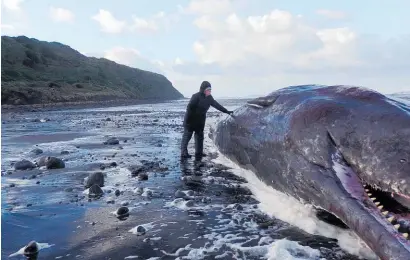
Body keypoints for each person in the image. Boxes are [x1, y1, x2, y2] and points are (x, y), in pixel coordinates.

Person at [181, 81, 233, 160]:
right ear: (204, 89)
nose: (210, 91)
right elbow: (189, 108)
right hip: (191, 121)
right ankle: (184, 153)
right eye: (208, 89)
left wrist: (226, 111)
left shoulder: (209, 98)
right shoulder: (195, 96)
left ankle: (199, 153)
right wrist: (190, 120)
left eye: (210, 89)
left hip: (200, 121)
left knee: (199, 137)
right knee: (187, 136)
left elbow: (217, 105)